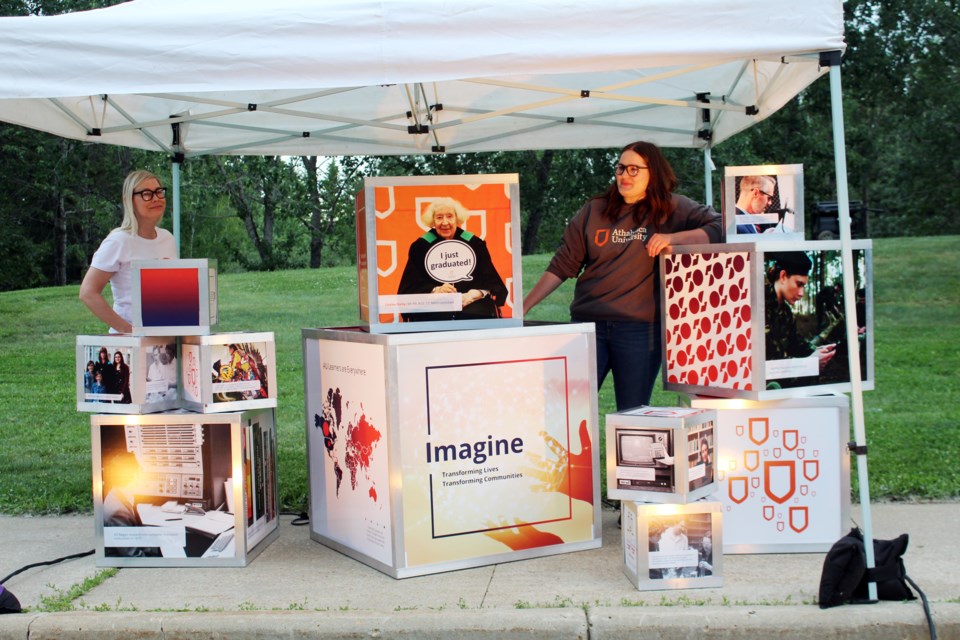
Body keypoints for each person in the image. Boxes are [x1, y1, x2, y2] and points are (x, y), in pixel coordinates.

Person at [523, 141, 722, 410]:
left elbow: (721, 226)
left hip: (640, 330)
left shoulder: (673, 209)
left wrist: (672, 238)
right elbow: (562, 265)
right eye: (620, 168)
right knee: (567, 408)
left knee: (633, 412)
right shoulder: (594, 210)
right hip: (587, 326)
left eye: (633, 169)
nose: (624, 176)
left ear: (653, 173)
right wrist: (523, 306)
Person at [79, 170, 178, 334]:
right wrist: (127, 330)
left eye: (159, 192)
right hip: (129, 344)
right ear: (128, 200)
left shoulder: (167, 238)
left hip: (165, 336)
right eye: (146, 194)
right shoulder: (118, 241)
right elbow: (88, 293)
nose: (155, 198)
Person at [397, 197, 508, 321]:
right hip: (434, 308)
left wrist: (472, 295)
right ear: (432, 221)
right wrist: (435, 290)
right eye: (439, 217)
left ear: (457, 218)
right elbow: (410, 286)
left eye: (449, 216)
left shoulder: (474, 243)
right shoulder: (420, 247)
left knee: (477, 312)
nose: (445, 223)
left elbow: (490, 280)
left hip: (472, 306)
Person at [765, 252, 837, 387]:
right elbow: (768, 362)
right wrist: (808, 363)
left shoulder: (785, 311)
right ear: (783, 276)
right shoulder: (759, 306)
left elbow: (794, 342)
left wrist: (817, 350)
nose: (801, 293)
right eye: (798, 284)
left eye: (803, 286)